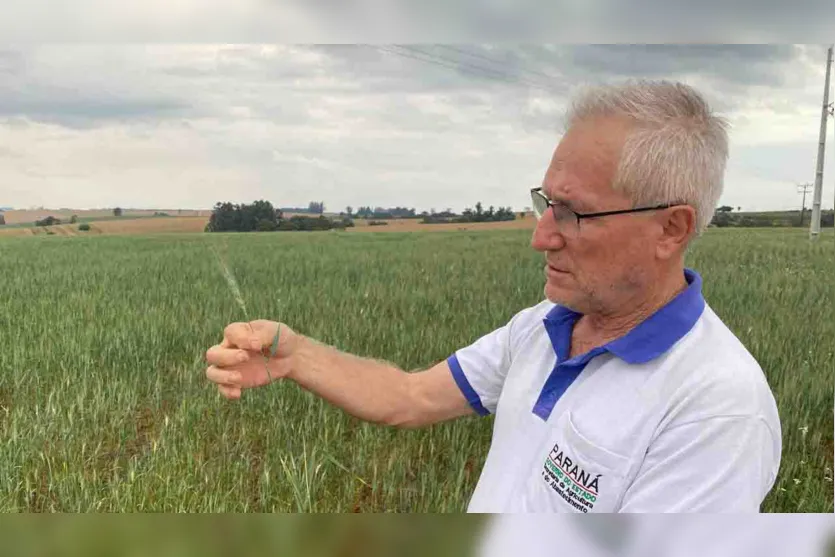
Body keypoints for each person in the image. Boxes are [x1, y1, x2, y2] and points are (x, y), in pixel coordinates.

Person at [204, 80, 781, 513]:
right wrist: (296, 355)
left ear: (670, 229)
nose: (541, 235)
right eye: (545, 202)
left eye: (574, 212)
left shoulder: (717, 408)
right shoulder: (543, 328)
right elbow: (409, 396)